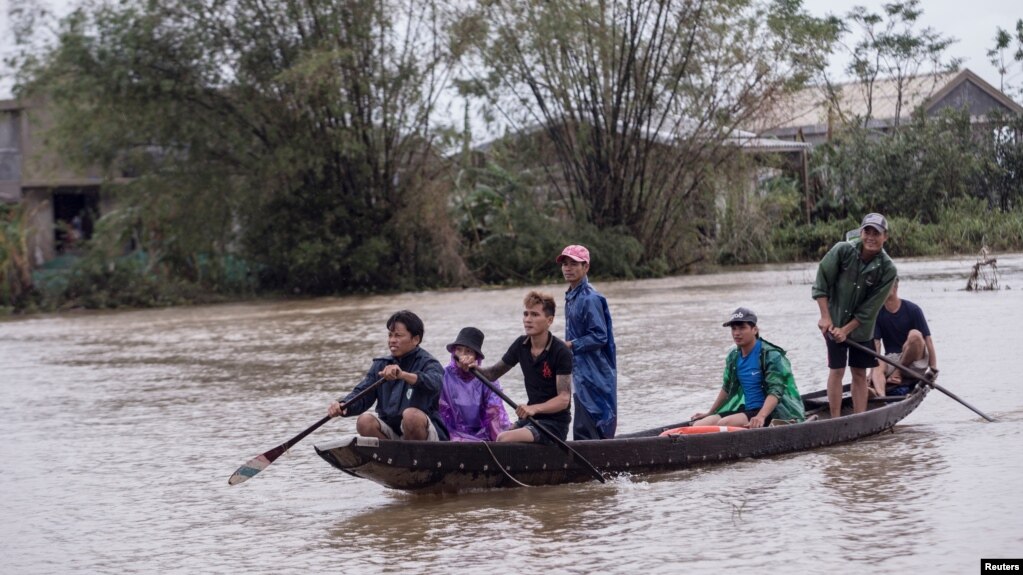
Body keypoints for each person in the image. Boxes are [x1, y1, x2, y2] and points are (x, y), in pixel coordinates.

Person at [456, 291, 573, 444]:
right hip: (530, 419)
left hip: (555, 424)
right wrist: (473, 367)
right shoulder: (521, 345)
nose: (528, 320)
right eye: (525, 314)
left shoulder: (561, 351)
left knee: (503, 439)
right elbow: (492, 374)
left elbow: (564, 399)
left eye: (535, 315)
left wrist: (534, 408)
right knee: (499, 436)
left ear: (549, 320)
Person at [812, 213, 898, 418]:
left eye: (876, 233)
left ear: (885, 237)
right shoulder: (843, 251)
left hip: (861, 330)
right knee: (837, 370)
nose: (871, 237)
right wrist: (826, 318)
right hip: (834, 322)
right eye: (867, 232)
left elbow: (870, 308)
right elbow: (821, 282)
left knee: (859, 373)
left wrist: (847, 330)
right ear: (861, 233)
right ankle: (834, 419)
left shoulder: (888, 269)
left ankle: (859, 418)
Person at [327, 310, 448, 441]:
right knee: (364, 421)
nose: (392, 340)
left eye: (398, 336)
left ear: (415, 339)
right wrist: (343, 405)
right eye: (390, 335)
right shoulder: (381, 365)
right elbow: (362, 393)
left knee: (411, 416)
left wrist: (403, 375)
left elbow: (436, 383)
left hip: (426, 435)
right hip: (393, 433)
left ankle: (412, 457)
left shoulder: (429, 362)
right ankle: (396, 457)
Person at [692, 308, 806, 428]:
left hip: (772, 412)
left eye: (742, 328)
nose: (736, 333)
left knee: (724, 424)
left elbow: (776, 391)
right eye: (734, 328)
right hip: (747, 410)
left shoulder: (771, 355)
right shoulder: (733, 356)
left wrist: (761, 416)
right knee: (698, 425)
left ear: (755, 330)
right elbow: (727, 388)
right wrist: (710, 413)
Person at [557, 244, 617, 440]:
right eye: (565, 264)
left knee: (592, 421)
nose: (568, 268)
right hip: (581, 371)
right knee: (584, 420)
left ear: (586, 267)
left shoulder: (590, 298)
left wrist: (571, 345)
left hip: (595, 372)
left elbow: (600, 336)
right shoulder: (571, 296)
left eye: (574, 264)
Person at [439, 327, 512, 441]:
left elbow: (494, 415)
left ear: (476, 357)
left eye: (468, 351)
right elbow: (440, 412)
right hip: (450, 434)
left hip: (481, 436)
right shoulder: (443, 375)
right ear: (454, 352)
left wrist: (498, 444)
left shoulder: (488, 380)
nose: (462, 355)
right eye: (459, 349)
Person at [869, 278, 938, 397]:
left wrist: (933, 369)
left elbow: (928, 340)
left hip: (915, 362)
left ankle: (898, 372)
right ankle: (881, 397)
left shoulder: (913, 309)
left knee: (915, 334)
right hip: (892, 359)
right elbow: (876, 343)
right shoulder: (878, 313)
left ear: (895, 288)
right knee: (877, 362)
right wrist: (871, 372)